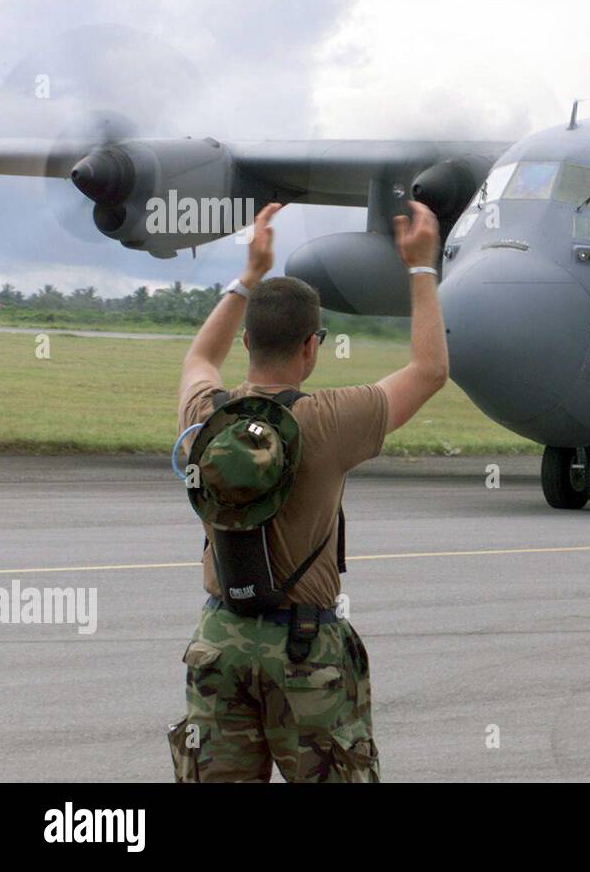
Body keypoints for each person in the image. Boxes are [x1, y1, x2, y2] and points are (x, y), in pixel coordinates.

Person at [168, 200, 447, 782]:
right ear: (311, 347)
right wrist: (421, 267)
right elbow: (428, 370)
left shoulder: (205, 415)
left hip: (219, 641)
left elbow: (198, 357)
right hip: (304, 653)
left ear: (247, 342)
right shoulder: (331, 420)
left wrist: (248, 276)